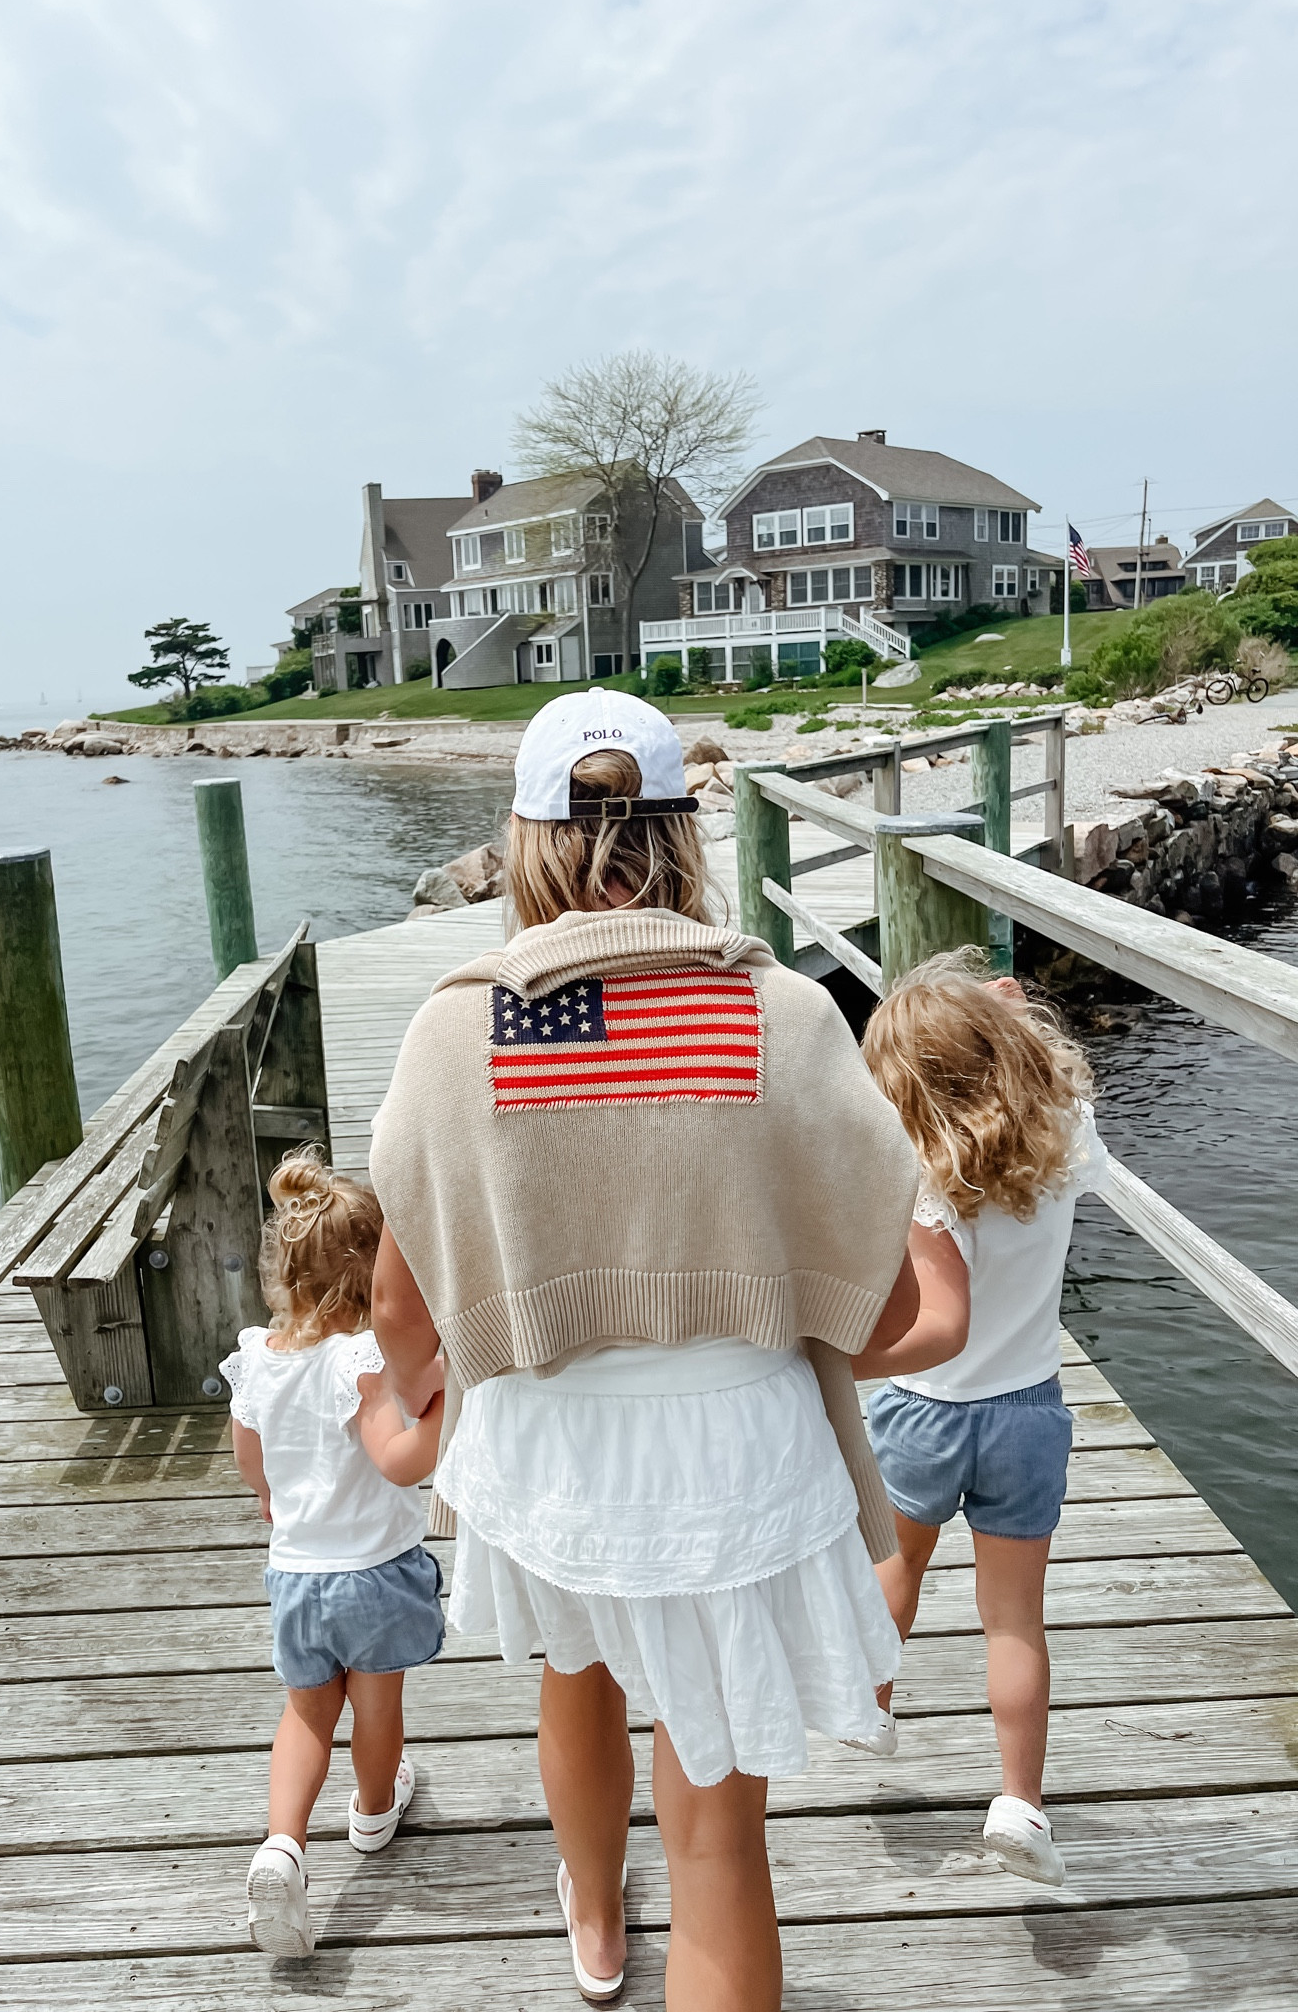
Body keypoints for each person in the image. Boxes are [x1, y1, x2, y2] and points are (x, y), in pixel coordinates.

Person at [366, 688, 957, 2011]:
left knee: (574, 1675)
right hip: (736, 1456)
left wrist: (434, 1384)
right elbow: (898, 1294)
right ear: (684, 834)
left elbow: (406, 1313)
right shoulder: (784, 1015)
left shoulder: (459, 1029)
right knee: (716, 1842)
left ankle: (586, 1916)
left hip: (547, 1450)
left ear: (521, 842)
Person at [856, 953, 1107, 1887]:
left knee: (896, 1572)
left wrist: (846, 1365)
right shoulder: (1070, 1135)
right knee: (1014, 1624)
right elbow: (1034, 1055)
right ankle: (1020, 1805)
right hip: (1030, 1414)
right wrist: (1002, 1015)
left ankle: (871, 1707)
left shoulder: (931, 1178)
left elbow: (941, 1327)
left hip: (926, 1415)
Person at [221, 1150, 446, 1958]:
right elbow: (399, 1460)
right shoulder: (360, 1363)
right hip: (376, 1573)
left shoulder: (259, 1360)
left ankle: (282, 1844)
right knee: (375, 1707)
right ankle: (375, 1809)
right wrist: (453, 1404)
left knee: (307, 1714)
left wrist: (273, 1502)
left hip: (297, 1577)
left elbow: (253, 1465)